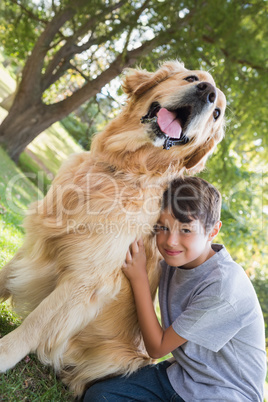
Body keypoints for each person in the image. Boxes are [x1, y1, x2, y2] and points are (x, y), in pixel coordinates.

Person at [83, 177, 266, 401]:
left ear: (213, 231)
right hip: (183, 377)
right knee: (100, 396)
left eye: (186, 230)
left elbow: (158, 348)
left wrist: (139, 278)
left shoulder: (222, 287)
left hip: (223, 393)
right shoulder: (174, 259)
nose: (171, 241)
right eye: (163, 227)